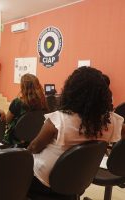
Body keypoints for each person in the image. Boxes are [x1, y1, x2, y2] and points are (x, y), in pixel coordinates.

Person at [27, 67, 125, 198]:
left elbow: (34, 147)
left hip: (44, 183)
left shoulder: (59, 120)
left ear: (72, 91)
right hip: (78, 180)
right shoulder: (111, 121)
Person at [3, 73, 48, 145]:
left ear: (23, 87)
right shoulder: (43, 101)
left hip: (15, 140)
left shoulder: (17, 103)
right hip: (34, 137)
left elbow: (6, 121)